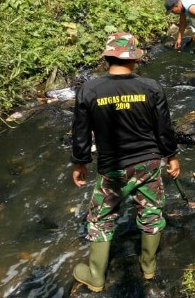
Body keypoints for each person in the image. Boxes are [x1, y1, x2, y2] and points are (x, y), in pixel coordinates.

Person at [70, 32, 180, 292]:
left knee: (101, 218)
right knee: (152, 211)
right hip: (150, 163)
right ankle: (149, 267)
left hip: (113, 167)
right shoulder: (151, 87)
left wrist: (80, 162)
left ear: (107, 57)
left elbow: (80, 131)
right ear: (135, 60)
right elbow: (164, 128)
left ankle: (96, 276)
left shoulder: (90, 89)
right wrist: (172, 157)